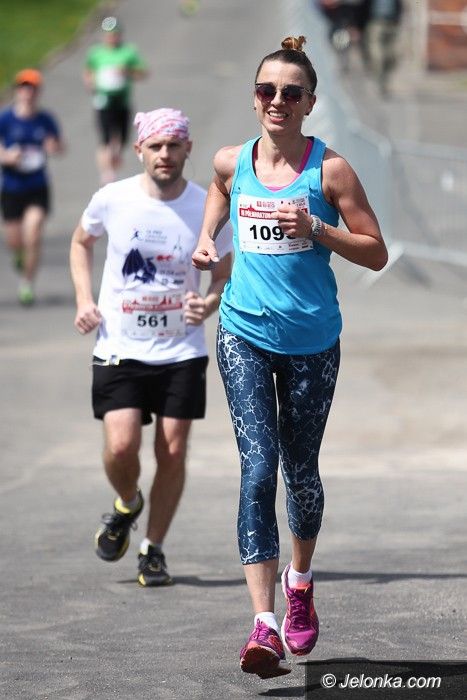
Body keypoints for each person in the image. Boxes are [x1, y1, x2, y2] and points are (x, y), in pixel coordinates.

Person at [192, 36, 387, 678]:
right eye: (266, 90)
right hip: (242, 332)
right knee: (258, 469)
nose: (277, 100)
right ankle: (264, 623)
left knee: (300, 470)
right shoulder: (232, 159)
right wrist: (207, 237)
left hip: (311, 342)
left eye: (290, 92)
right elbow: (219, 188)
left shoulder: (331, 171)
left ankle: (299, 583)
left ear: (309, 102)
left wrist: (319, 229)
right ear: (254, 99)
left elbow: (376, 251)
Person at [70, 108, 232, 587]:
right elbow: (81, 242)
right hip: (119, 345)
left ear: (188, 148)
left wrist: (209, 302)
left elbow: (223, 271)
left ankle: (153, 550)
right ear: (139, 149)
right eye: (156, 146)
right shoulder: (112, 199)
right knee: (121, 446)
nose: (165, 154)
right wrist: (83, 299)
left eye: (174, 145)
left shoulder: (206, 207)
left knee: (173, 451)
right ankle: (128, 503)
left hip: (181, 350)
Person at [0, 68, 64, 305]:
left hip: (37, 186)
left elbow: (59, 146)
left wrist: (53, 147)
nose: (27, 92)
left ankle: (27, 284)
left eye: (32, 88)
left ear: (38, 92)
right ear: (17, 91)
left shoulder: (45, 120)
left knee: (33, 233)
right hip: (11, 187)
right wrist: (7, 157)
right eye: (24, 87)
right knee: (15, 240)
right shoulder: (6, 119)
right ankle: (19, 255)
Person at [83, 16, 147, 185]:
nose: (112, 38)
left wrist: (127, 72)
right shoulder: (96, 53)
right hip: (103, 100)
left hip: (122, 100)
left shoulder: (128, 51)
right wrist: (90, 83)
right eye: (108, 35)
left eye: (115, 34)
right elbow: (88, 70)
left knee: (122, 138)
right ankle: (107, 174)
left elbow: (142, 73)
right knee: (105, 138)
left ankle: (114, 158)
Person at [364, 0, 403, 96]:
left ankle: (385, 79)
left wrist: (397, 20)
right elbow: (364, 7)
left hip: (392, 24)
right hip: (376, 23)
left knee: (391, 56)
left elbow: (400, 7)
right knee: (377, 56)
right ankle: (380, 80)